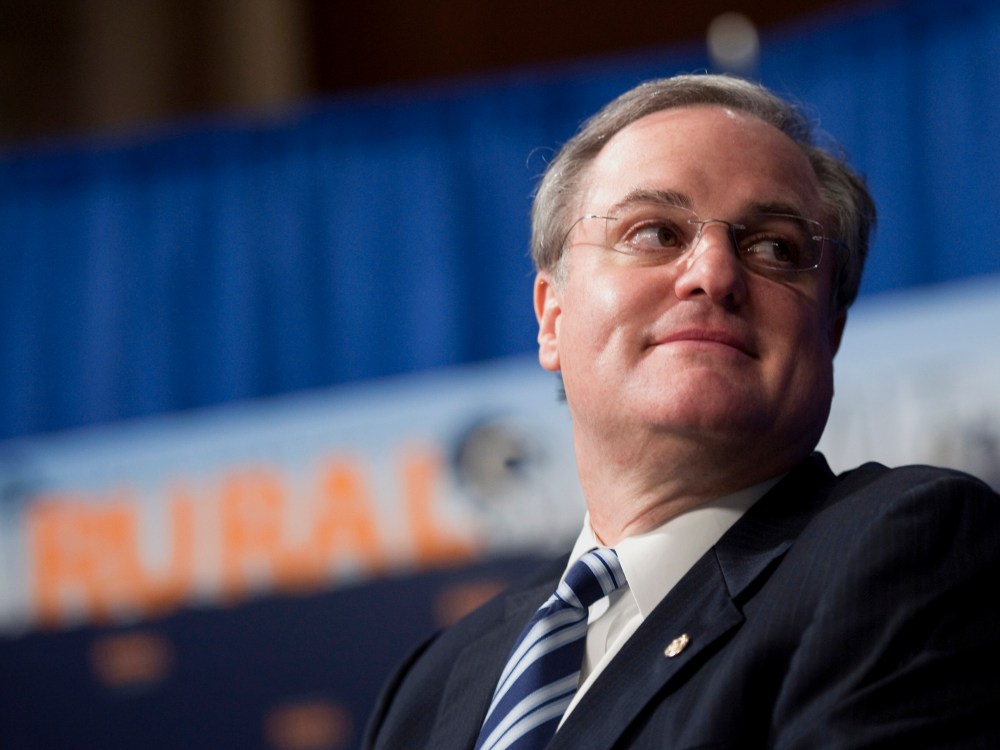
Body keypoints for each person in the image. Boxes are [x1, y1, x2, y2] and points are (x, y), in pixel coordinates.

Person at [362, 73, 1000, 749]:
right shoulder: (431, 684)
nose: (714, 273)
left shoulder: (911, 550)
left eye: (775, 248)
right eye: (656, 232)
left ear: (830, 333)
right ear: (552, 317)